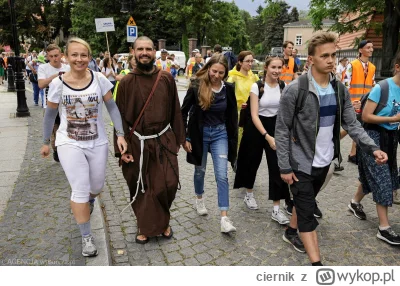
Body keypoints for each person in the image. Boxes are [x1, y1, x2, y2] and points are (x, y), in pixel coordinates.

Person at [275, 32, 387, 265]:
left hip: (325, 162)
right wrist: (284, 166)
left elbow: (352, 124)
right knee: (308, 214)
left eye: (333, 55)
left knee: (303, 202)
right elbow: (283, 129)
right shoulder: (296, 90)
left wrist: (372, 148)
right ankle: (317, 266)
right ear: (312, 59)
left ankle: (289, 231)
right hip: (300, 163)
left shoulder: (339, 90)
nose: (330, 60)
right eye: (324, 55)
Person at [40, 37, 128, 257]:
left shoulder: (99, 79)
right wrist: (44, 142)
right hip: (69, 142)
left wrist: (120, 135)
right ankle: (87, 237)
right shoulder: (58, 83)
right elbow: (50, 114)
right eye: (74, 55)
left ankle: (88, 200)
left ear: (89, 57)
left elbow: (112, 108)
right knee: (79, 187)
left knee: (96, 186)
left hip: (97, 141)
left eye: (83, 55)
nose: (79, 59)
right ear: (66, 57)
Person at [115, 36, 185, 244]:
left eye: (148, 49)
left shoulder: (166, 78)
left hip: (163, 140)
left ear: (155, 52)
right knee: (142, 186)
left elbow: (176, 111)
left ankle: (162, 219)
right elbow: (120, 118)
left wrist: (180, 139)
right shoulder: (127, 81)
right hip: (137, 142)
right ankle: (147, 226)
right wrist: (122, 149)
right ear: (133, 53)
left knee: (168, 184)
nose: (144, 53)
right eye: (140, 49)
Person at [181, 54, 238, 233]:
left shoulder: (228, 89)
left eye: (221, 72)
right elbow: (183, 112)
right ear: (208, 69)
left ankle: (224, 218)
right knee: (200, 171)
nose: (217, 75)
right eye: (214, 71)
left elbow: (232, 116)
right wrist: (185, 137)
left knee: (222, 175)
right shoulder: (197, 85)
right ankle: (199, 198)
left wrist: (233, 140)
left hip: (220, 134)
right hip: (200, 134)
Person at [347, 53, 400, 246]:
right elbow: (367, 117)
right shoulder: (382, 88)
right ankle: (384, 228)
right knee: (382, 178)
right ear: (397, 67)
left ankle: (354, 202)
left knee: (377, 176)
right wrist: (392, 119)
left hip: (391, 137)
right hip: (372, 137)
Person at [234, 55, 290, 223]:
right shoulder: (256, 87)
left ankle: (276, 209)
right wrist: (267, 136)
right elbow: (254, 115)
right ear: (266, 68)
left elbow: (284, 112)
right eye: (273, 67)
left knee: (277, 166)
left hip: (275, 126)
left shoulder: (283, 86)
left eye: (279, 67)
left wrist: (279, 135)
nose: (277, 71)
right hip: (256, 127)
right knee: (252, 162)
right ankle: (249, 194)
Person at [343, 40, 376, 165]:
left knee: (359, 126)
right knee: (352, 127)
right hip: (353, 102)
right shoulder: (352, 65)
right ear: (360, 50)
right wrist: (348, 102)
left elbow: (372, 85)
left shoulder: (372, 67)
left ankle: (353, 153)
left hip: (365, 103)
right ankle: (335, 142)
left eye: (372, 47)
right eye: (368, 47)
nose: (371, 49)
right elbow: (345, 84)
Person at [227, 50, 259, 174]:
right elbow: (228, 98)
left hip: (252, 114)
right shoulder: (233, 77)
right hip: (238, 115)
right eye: (248, 61)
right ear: (240, 62)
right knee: (239, 140)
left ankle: (248, 166)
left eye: (252, 61)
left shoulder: (254, 77)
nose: (250, 64)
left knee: (251, 141)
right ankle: (237, 163)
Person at [38, 44, 70, 162]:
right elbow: (41, 85)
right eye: (51, 56)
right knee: (54, 130)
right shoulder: (43, 68)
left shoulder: (68, 67)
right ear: (47, 57)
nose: (54, 58)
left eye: (56, 55)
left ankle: (65, 151)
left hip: (66, 104)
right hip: (51, 105)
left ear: (61, 55)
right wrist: (56, 76)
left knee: (66, 128)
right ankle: (56, 150)